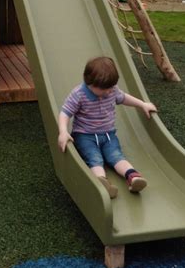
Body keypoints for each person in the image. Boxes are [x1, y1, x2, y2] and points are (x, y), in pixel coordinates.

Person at [57, 56, 157, 198]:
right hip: (85, 136)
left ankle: (133, 177)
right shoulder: (79, 94)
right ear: (90, 83)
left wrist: (142, 104)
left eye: (111, 87)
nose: (110, 92)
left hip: (108, 135)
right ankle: (102, 183)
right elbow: (65, 113)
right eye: (105, 89)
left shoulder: (112, 90)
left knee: (116, 156)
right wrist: (63, 131)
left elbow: (124, 98)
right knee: (94, 158)